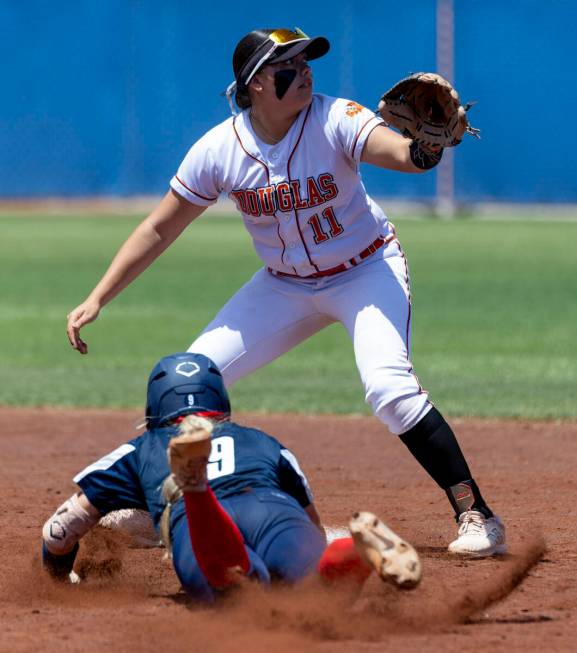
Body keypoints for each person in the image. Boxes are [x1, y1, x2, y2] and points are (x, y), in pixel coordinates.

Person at [65, 28, 506, 556]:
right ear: (254, 85)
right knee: (187, 380)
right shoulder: (220, 149)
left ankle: (476, 513)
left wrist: (427, 147)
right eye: (288, 66)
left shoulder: (335, 118)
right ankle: (151, 507)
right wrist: (98, 297)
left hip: (365, 272)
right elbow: (160, 227)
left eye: (306, 62)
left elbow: (403, 155)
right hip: (283, 285)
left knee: (389, 390)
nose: (305, 72)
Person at [41, 352, 422, 600]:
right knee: (317, 589)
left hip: (199, 526)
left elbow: (59, 531)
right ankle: (354, 552)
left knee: (238, 590)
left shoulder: (141, 448)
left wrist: (57, 579)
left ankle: (195, 486)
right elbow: (312, 522)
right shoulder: (263, 440)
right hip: (272, 509)